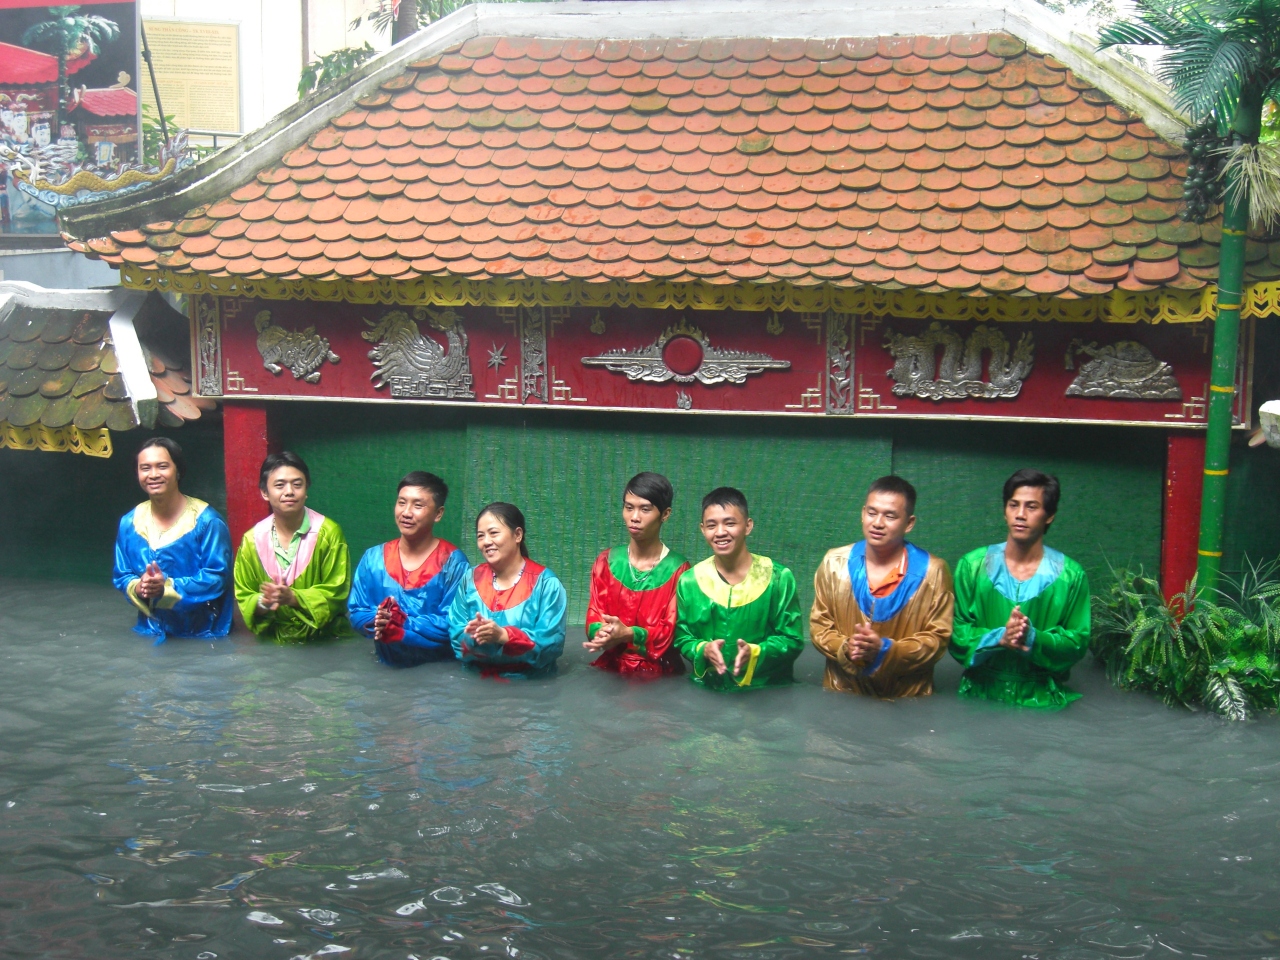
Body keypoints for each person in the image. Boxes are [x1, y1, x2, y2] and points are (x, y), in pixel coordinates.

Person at [950, 469, 1091, 708]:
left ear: (1050, 515)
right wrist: (999, 637)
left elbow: (1078, 642)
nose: (1020, 515)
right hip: (978, 695)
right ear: (1005, 511)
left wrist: (1033, 638)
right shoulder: (971, 567)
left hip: (1044, 699)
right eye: (1013, 505)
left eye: (1032, 507)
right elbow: (955, 632)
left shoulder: (1071, 576)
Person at [810, 476, 954, 697]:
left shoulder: (933, 572)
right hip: (842, 695)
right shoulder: (834, 564)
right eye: (872, 512)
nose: (877, 523)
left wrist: (885, 650)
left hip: (906, 700)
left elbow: (937, 639)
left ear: (909, 523)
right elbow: (819, 626)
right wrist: (847, 647)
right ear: (862, 513)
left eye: (890, 516)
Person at [672, 487, 804, 690]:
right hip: (708, 690)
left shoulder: (777, 578)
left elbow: (793, 639)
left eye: (730, 523)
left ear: (748, 526)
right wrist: (703, 649)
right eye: (711, 525)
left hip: (765, 691)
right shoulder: (690, 582)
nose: (720, 532)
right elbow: (682, 637)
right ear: (702, 529)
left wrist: (757, 652)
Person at [112, 437, 232, 642]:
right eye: (145, 468)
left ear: (178, 471)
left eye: (162, 466)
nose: (153, 474)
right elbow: (122, 575)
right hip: (150, 630)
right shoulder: (129, 523)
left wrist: (168, 586)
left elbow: (217, 578)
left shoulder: (207, 521)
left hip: (205, 634)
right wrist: (140, 587)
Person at [348, 471, 469, 667]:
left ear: (438, 514)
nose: (406, 512)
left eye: (418, 505)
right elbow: (356, 611)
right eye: (401, 503)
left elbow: (454, 622)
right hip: (384, 664)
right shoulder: (373, 558)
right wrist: (379, 619)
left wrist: (402, 623)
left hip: (436, 669)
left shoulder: (453, 563)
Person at [233, 451, 351, 643]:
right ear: (264, 492)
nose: (289, 491)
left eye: (297, 484)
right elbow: (244, 595)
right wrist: (264, 602)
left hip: (324, 640)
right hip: (272, 640)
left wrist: (293, 598)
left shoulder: (329, 533)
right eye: (280, 485)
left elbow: (337, 593)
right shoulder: (251, 540)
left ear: (306, 489)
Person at [584, 472, 692, 678]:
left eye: (645, 509)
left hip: (660, 674)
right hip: (611, 669)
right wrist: (602, 632)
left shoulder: (679, 570)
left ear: (665, 514)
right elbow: (594, 613)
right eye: (629, 507)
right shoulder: (607, 561)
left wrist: (630, 634)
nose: (634, 517)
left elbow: (672, 632)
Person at [449, 502, 567, 677]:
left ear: (517, 535)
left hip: (529, 685)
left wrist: (504, 636)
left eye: (493, 533)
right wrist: (478, 637)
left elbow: (551, 645)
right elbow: (456, 636)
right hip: (476, 680)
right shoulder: (470, 579)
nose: (486, 542)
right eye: (480, 536)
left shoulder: (546, 584)